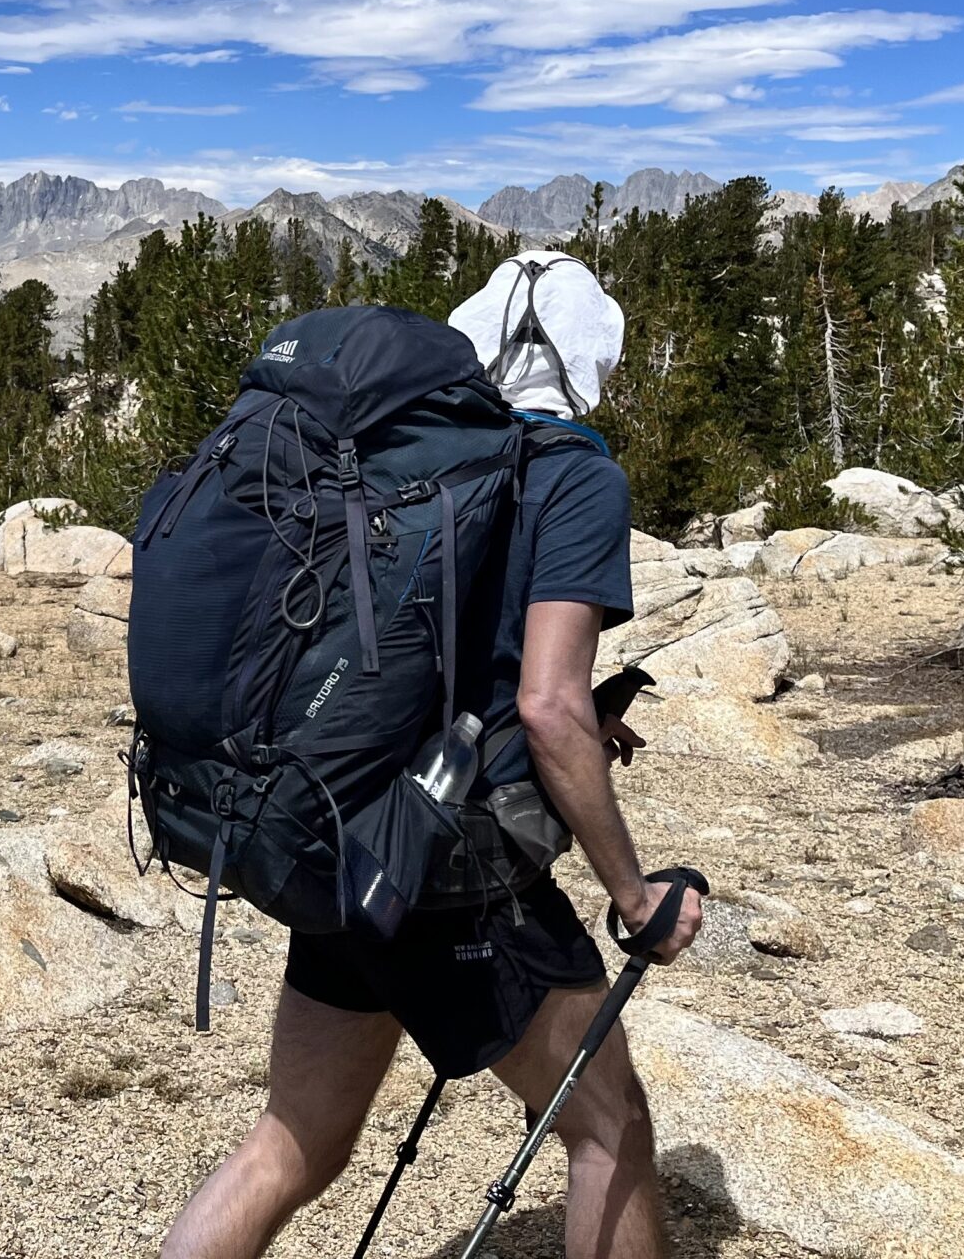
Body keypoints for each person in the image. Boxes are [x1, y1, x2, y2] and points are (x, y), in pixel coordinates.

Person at [161, 251, 702, 1259]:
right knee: (607, 1123)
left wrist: (570, 709)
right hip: (454, 869)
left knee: (292, 1141)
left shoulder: (423, 464)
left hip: (344, 829)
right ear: (598, 359)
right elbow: (544, 707)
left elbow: (435, 652)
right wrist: (633, 894)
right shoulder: (577, 477)